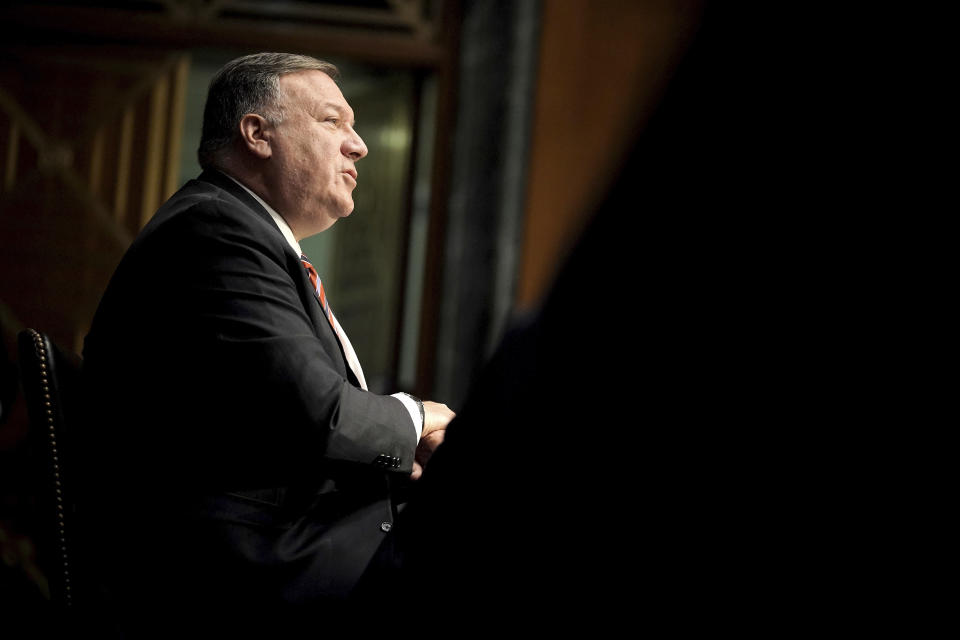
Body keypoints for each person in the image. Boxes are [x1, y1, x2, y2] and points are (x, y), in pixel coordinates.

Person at [79, 53, 453, 635]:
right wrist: (418, 418)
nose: (359, 146)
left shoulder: (240, 232)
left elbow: (267, 425)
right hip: (237, 573)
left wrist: (399, 462)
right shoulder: (216, 231)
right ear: (257, 133)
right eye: (334, 122)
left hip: (271, 545)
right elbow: (321, 413)